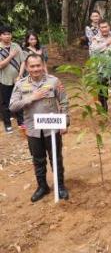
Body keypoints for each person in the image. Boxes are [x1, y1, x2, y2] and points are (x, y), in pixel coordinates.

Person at [9, 54, 69, 201]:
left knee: (56, 158)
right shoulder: (20, 84)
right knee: (38, 159)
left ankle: (60, 185)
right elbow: (12, 106)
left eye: (38, 65)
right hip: (33, 128)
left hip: (52, 126)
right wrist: (31, 97)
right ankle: (42, 186)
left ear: (42, 65)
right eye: (32, 66)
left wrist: (65, 122)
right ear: (27, 67)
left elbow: (64, 102)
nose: (36, 69)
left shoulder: (53, 81)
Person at [0, 25, 25, 133]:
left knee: (19, 100)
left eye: (9, 34)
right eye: (5, 34)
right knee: (5, 103)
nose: (7, 36)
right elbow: (0, 65)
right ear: (0, 36)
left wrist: (20, 75)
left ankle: (21, 122)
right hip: (4, 80)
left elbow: (23, 61)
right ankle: (7, 124)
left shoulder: (16, 46)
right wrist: (10, 56)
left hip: (18, 79)